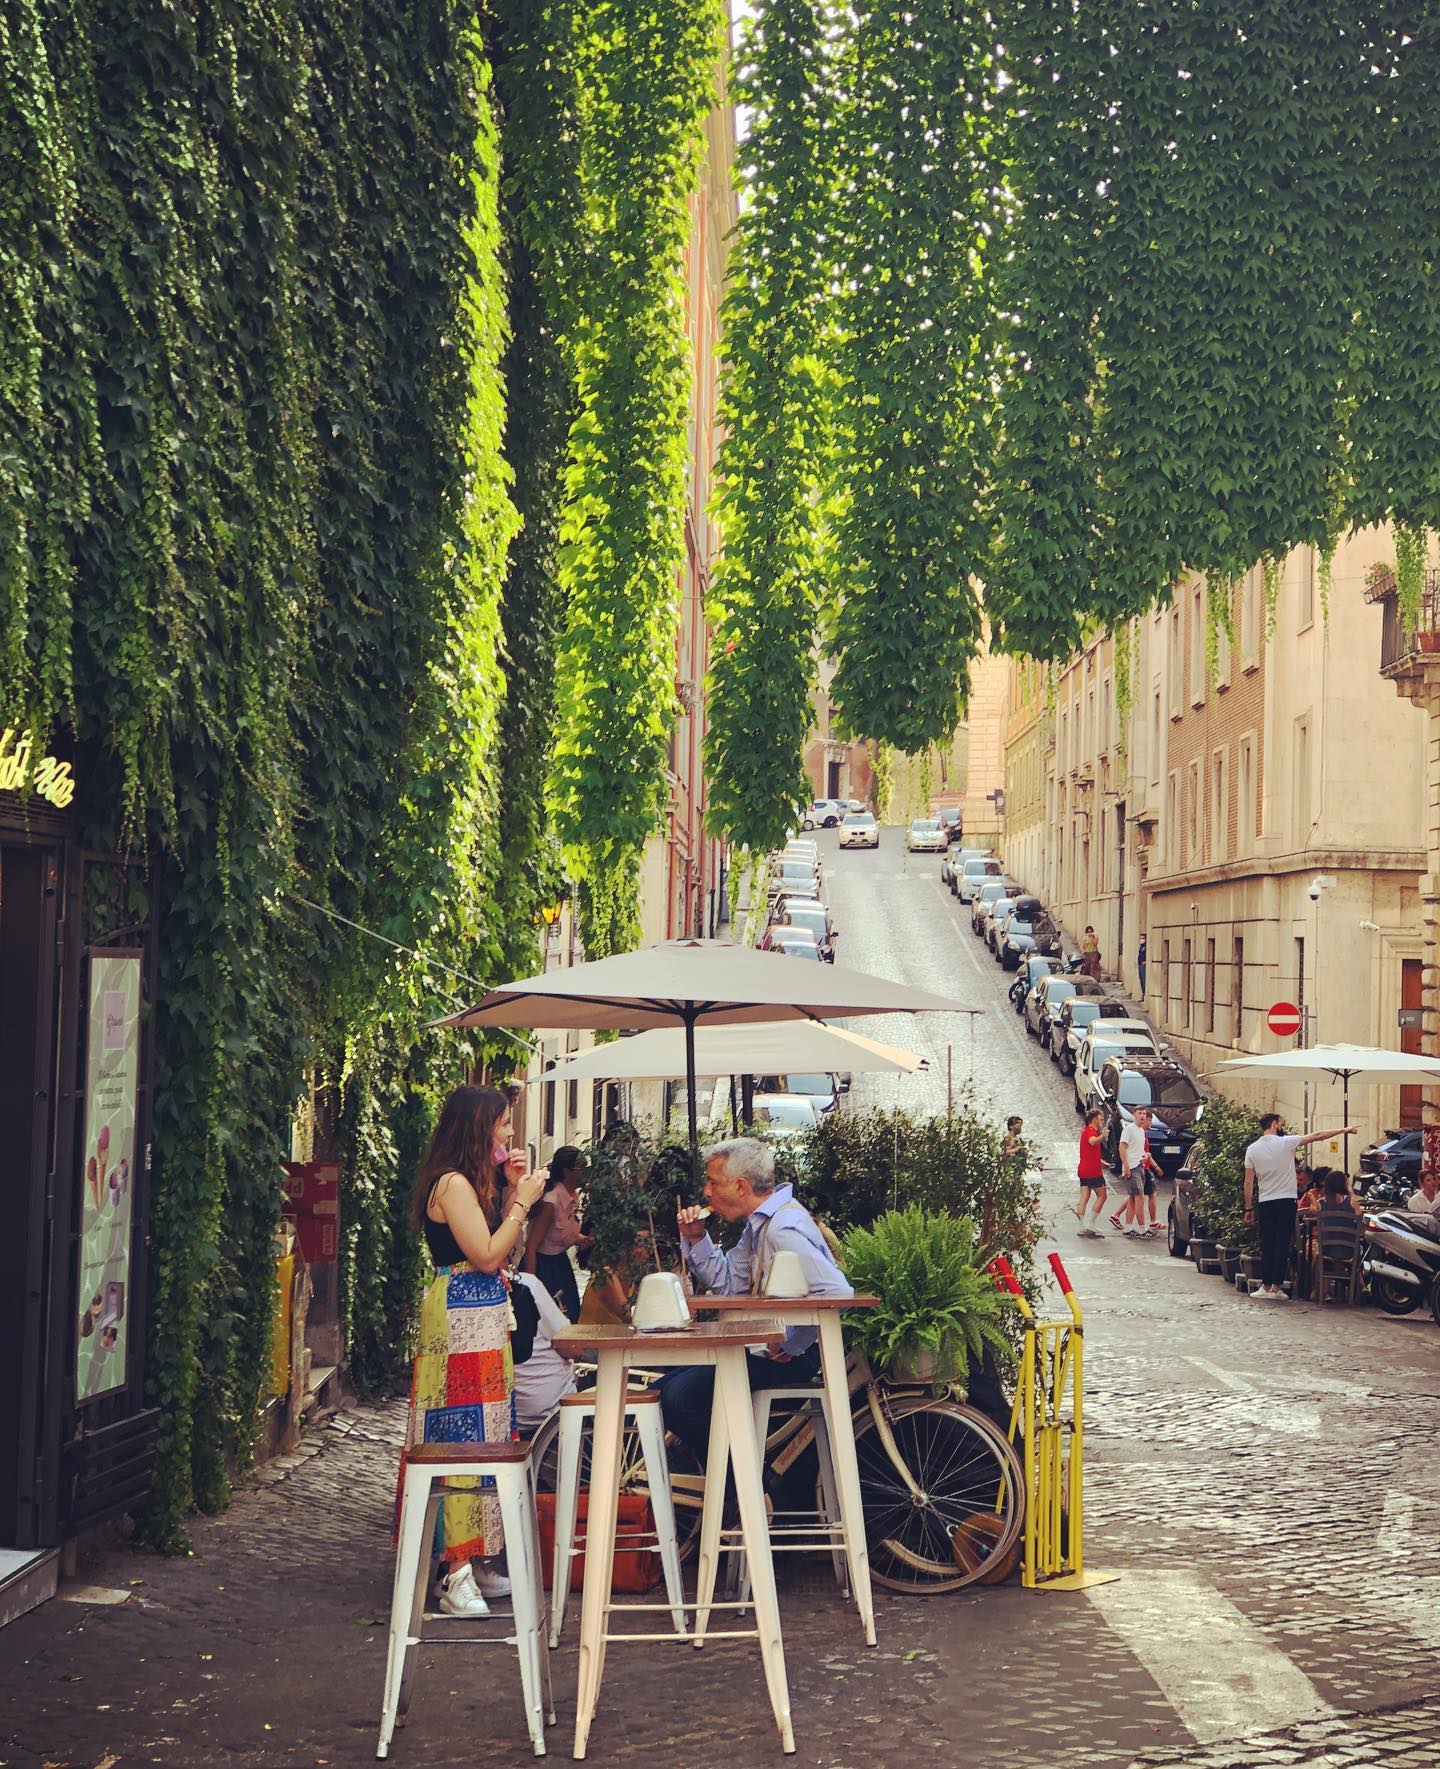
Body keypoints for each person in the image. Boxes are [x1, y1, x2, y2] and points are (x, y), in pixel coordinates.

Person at [404, 1084, 547, 1617]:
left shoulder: (472, 1184)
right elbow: (488, 1255)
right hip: (462, 1316)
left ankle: (477, 1556)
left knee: (487, 1432)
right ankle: (452, 1568)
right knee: (460, 1435)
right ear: (479, 1127)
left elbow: (496, 1246)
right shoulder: (452, 1184)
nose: (510, 1133)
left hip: (481, 1317)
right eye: (503, 1124)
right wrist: (524, 1203)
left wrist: (512, 1194)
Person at [659, 1138, 852, 1465]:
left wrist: (790, 1343)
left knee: (678, 1397)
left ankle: (746, 1487)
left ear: (740, 1186)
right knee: (667, 1388)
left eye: (713, 1182)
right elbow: (729, 1284)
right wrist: (695, 1238)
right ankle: (741, 1483)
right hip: (767, 1349)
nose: (706, 1192)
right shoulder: (761, 1225)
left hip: (794, 1358)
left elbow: (837, 1293)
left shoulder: (782, 1228)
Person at [1243, 1113, 1357, 1300]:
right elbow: (1317, 1135)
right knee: (1281, 1243)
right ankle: (1276, 1288)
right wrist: (1343, 1130)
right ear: (1274, 1124)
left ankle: (1265, 1285)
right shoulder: (1285, 1142)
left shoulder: (1252, 1150)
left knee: (1267, 1242)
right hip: (1286, 1200)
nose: (1281, 1127)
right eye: (1280, 1123)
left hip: (1265, 1201)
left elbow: (1248, 1182)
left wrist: (1248, 1208)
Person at [522, 1145, 592, 1321]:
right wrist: (531, 1285)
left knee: (571, 1314)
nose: (586, 1172)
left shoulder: (573, 1196)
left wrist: (581, 1240)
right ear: (568, 1171)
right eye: (582, 1168)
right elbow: (531, 1246)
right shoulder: (551, 1202)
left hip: (561, 1263)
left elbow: (562, 1230)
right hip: (543, 1266)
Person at [511, 1270, 579, 1431]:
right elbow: (571, 1346)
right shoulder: (526, 1284)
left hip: (508, 1414)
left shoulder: (448, 1286)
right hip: (551, 1409)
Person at [1113, 1106, 1160, 1237]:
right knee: (1139, 1198)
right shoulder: (1128, 1130)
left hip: (1139, 1166)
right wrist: (1126, 1166)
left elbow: (1138, 1150)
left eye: (1144, 1114)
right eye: (1140, 1113)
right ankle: (1143, 1228)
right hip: (1132, 1167)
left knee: (1133, 1199)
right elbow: (1122, 1148)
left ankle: (1128, 1228)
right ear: (1134, 1114)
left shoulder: (1141, 1132)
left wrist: (1145, 1156)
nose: (1142, 1116)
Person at [1074, 1107, 1107, 1236]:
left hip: (1084, 1169)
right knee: (1102, 1196)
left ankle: (1082, 1226)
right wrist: (1102, 1136)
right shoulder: (1091, 1131)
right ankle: (1091, 1224)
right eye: (1101, 1119)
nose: (1102, 1122)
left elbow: (1090, 1151)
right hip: (1093, 1171)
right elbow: (1092, 1142)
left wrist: (1101, 1162)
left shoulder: (1086, 1131)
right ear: (1094, 1120)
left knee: (1084, 1198)